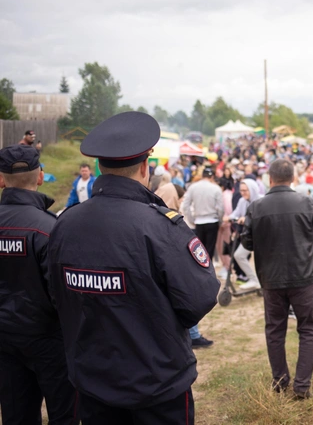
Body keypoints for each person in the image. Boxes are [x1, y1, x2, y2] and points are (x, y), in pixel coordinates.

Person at [48, 112, 220, 423]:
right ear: (145, 167)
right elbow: (199, 298)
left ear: (100, 166)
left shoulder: (65, 224)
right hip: (157, 385)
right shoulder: (161, 226)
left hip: (93, 380)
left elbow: (56, 296)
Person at [0, 145, 78, 425]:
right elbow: (63, 292)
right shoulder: (50, 227)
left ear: (0, 179)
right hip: (49, 339)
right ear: (41, 177)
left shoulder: (48, 227)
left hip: (5, 340)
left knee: (15, 414)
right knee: (64, 414)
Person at [241, 159, 313, 399]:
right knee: (308, 329)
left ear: (270, 179)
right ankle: (301, 387)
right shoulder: (307, 202)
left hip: (273, 278)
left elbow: (247, 242)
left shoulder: (256, 207)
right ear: (293, 178)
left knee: (275, 330)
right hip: (303, 276)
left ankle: (281, 381)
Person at [181, 166, 224, 348]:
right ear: (212, 175)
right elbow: (220, 208)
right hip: (211, 220)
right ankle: (208, 277)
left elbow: (185, 205)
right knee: (209, 251)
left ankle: (202, 276)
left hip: (198, 221)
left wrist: (192, 218)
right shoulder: (215, 188)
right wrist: (219, 220)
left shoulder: (193, 187)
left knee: (199, 253)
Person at [226, 179, 262, 290]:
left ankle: (265, 281)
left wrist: (246, 219)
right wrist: (228, 217)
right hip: (249, 235)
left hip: (261, 236)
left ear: (252, 189)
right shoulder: (242, 201)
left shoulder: (261, 201)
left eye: (245, 190)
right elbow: (236, 213)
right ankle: (254, 280)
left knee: (262, 260)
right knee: (238, 255)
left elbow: (261, 218)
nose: (243, 193)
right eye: (241, 190)